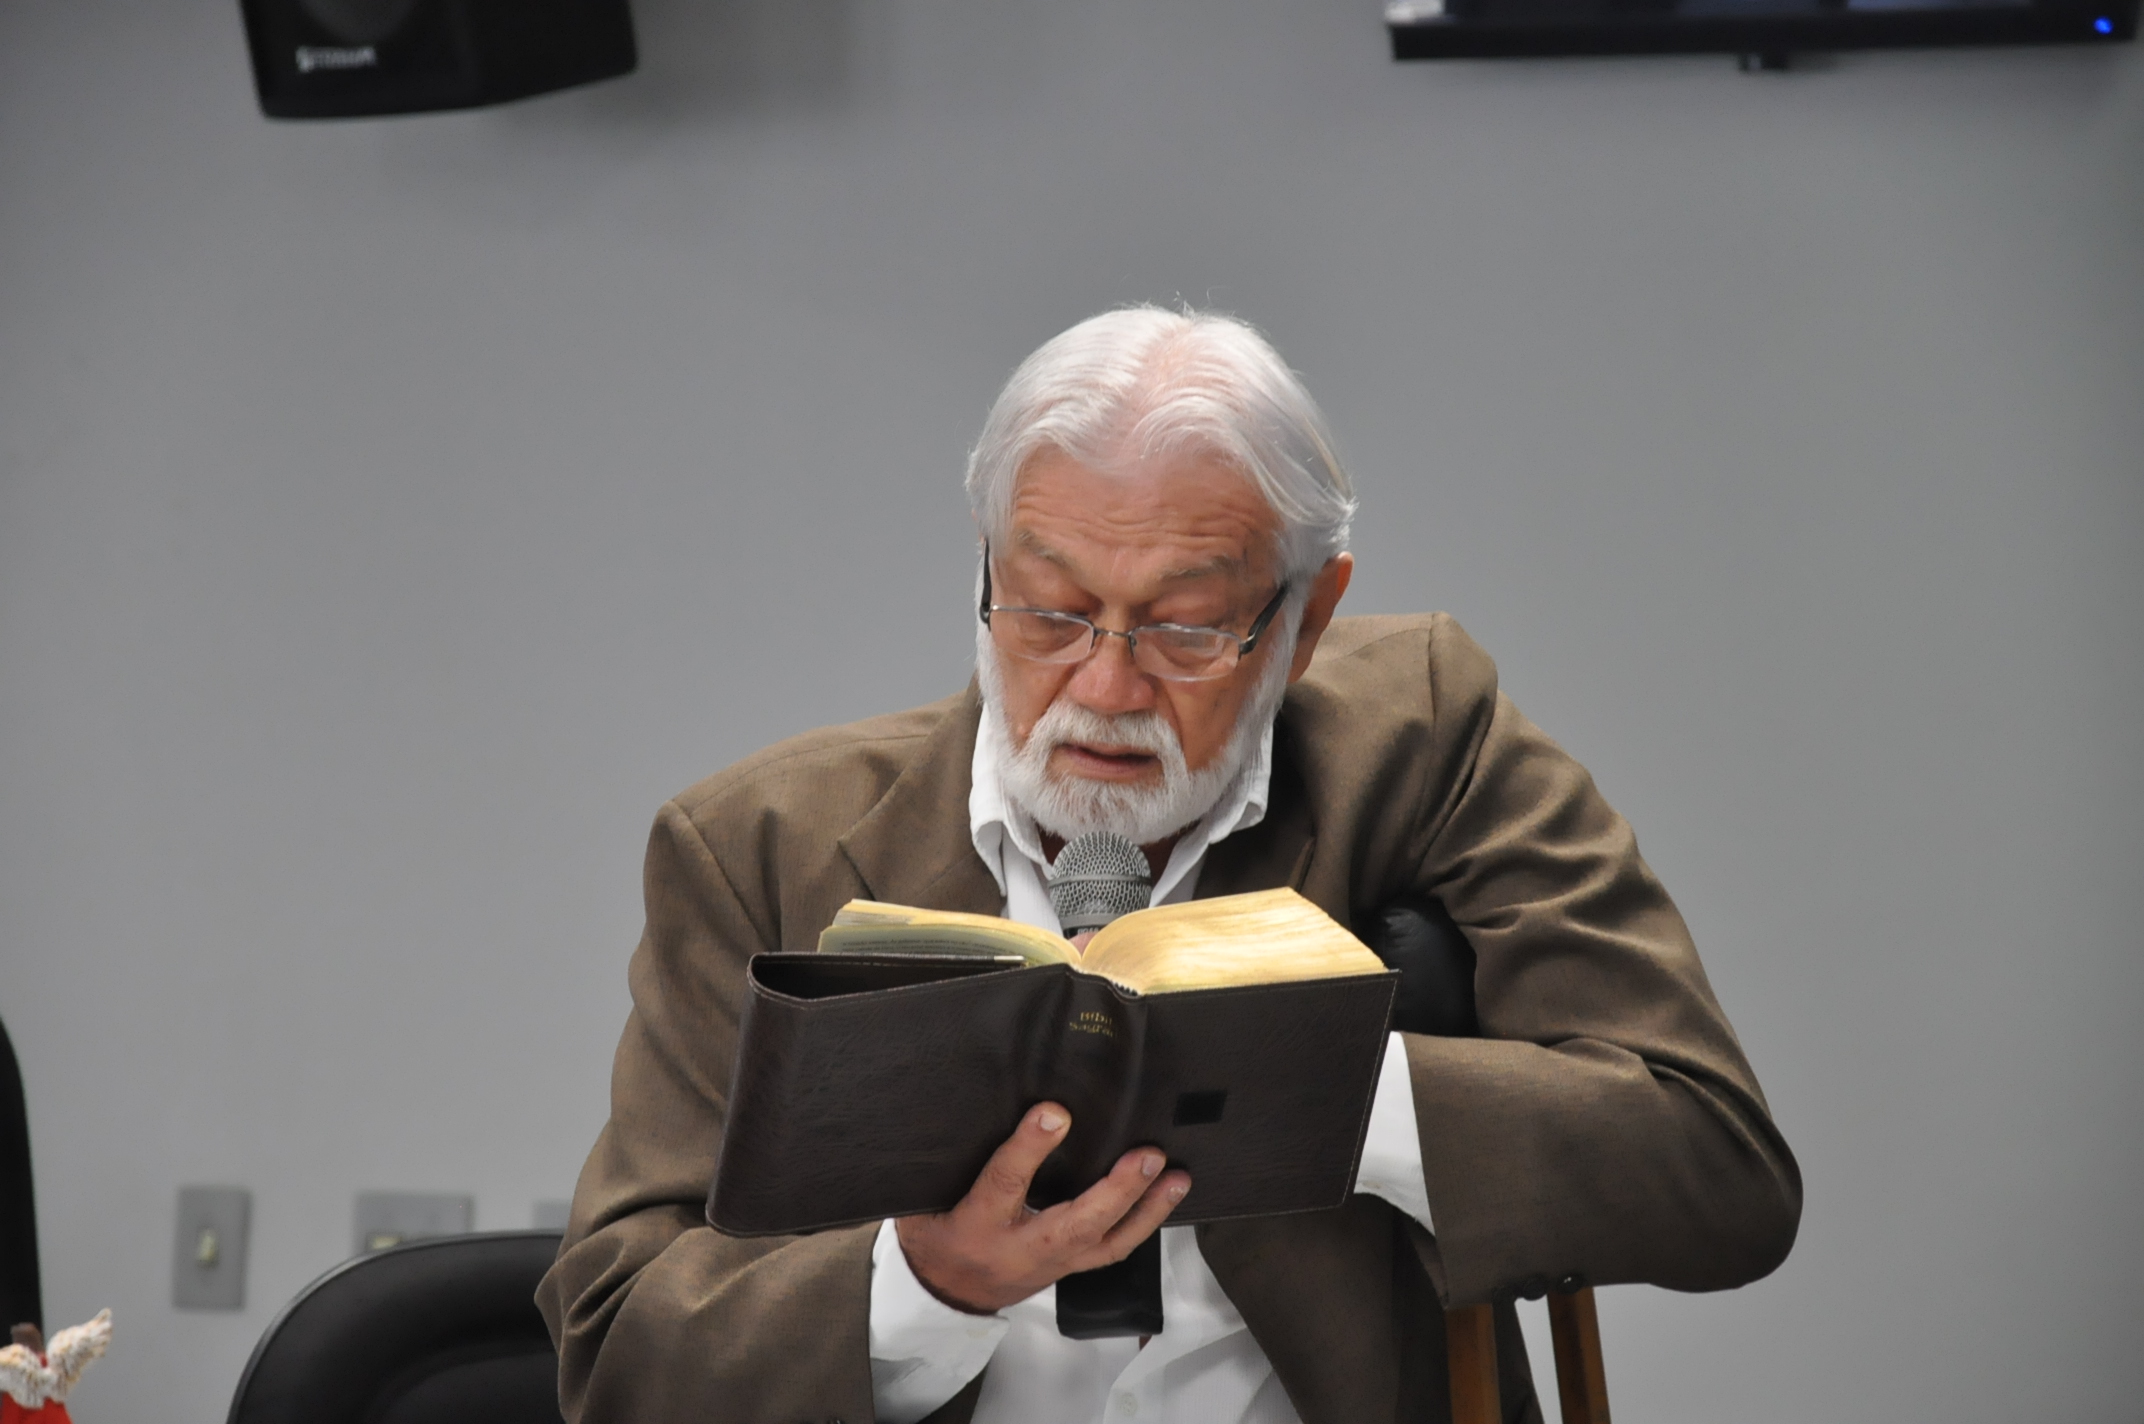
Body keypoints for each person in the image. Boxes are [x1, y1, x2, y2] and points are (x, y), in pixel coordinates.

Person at [535, 307, 1801, 1424]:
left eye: (1186, 627)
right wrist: (922, 1284)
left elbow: (1714, 1164)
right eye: (1048, 610)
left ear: (1305, 618)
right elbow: (618, 1351)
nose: (1103, 685)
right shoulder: (756, 846)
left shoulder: (1419, 738)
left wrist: (1312, 1082)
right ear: (984, 569)